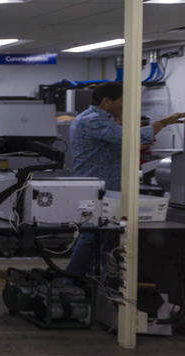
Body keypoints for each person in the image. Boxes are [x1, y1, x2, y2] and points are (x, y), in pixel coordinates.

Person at [66, 82, 184, 277]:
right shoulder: (93, 120)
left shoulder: (99, 119)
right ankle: (73, 280)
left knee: (105, 236)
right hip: (99, 186)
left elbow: (123, 145)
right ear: (106, 101)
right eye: (123, 100)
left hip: (106, 185)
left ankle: (102, 280)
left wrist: (125, 121)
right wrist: (163, 123)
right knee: (92, 234)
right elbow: (131, 137)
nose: (127, 104)